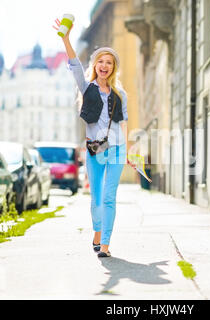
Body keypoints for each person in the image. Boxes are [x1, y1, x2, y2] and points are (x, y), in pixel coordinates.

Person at [53, 18, 130, 258]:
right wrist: (66, 39)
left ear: (113, 67)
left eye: (109, 62)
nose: (104, 66)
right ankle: (97, 231)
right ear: (96, 65)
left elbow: (124, 122)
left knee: (109, 197)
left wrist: (127, 151)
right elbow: (75, 65)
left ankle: (105, 244)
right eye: (101, 62)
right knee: (96, 199)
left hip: (116, 149)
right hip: (95, 150)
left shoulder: (121, 94)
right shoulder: (87, 88)